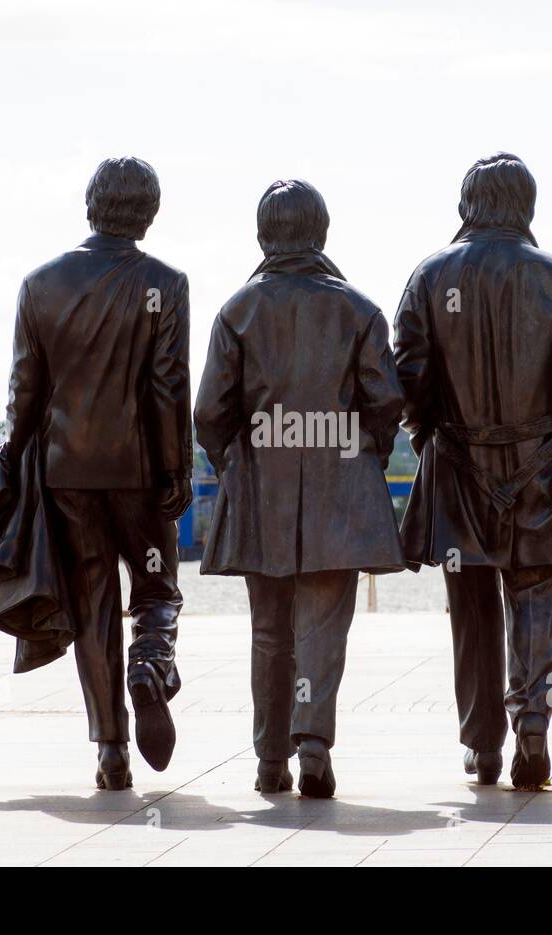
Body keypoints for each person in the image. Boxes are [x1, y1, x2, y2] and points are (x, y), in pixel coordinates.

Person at [394, 153, 552, 790]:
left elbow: (407, 377)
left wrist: (426, 434)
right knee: (535, 598)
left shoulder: (431, 277)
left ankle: (483, 743)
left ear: (467, 206)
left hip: (458, 468)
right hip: (542, 465)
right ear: (528, 208)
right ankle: (533, 723)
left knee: (472, 609)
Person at [195, 179, 404, 798]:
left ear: (263, 236)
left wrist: (234, 465)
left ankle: (268, 760)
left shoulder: (237, 311)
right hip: (340, 488)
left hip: (262, 485)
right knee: (322, 628)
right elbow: (386, 402)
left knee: (269, 631)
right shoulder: (359, 310)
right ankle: (312, 747)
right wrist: (361, 455)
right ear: (321, 233)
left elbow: (210, 413)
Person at [5, 156, 193, 790]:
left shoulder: (40, 284)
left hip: (66, 473)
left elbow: (25, 389)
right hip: (139, 471)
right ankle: (151, 664)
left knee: (91, 607)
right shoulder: (166, 283)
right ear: (150, 211)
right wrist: (177, 467)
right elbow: (168, 387)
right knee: (157, 588)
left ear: (91, 205)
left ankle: (111, 751)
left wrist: (14, 457)